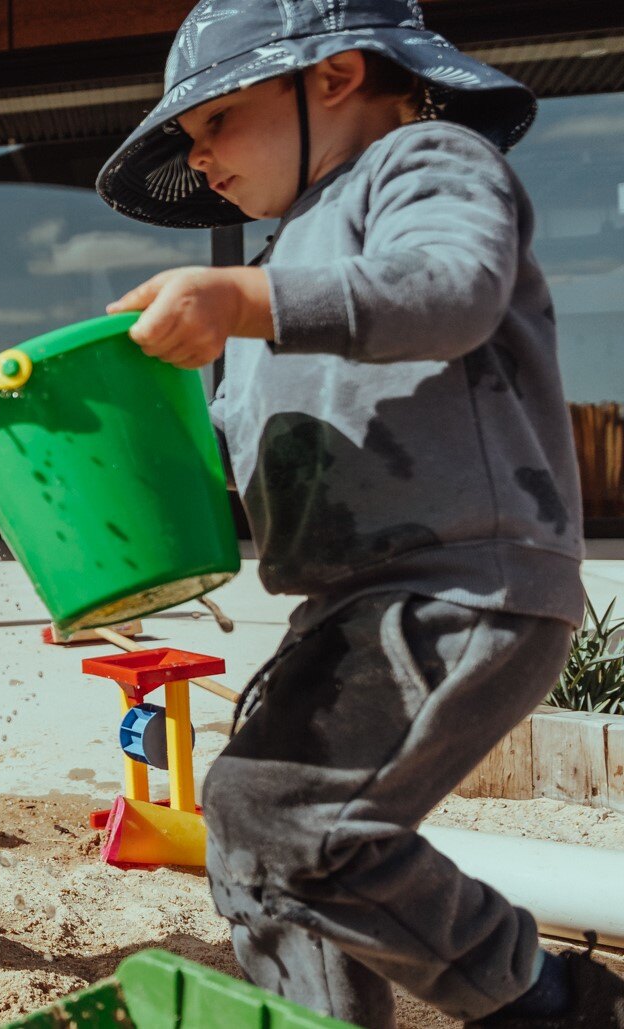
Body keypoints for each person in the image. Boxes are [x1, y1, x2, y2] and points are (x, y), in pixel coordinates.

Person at [96, 2, 623, 1025]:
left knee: (288, 816)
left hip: (463, 580)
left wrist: (246, 301)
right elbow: (235, 448)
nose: (197, 158)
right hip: (349, 605)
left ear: (331, 77)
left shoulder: (425, 164)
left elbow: (452, 287)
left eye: (216, 121)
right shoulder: (281, 260)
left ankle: (545, 1001)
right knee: (253, 836)